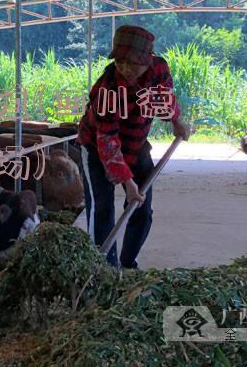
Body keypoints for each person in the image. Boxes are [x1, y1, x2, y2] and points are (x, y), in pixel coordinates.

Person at [76, 25, 190, 269]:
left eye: (133, 63)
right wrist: (127, 183)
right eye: (120, 62)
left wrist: (177, 121)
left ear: (147, 60)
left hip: (136, 145)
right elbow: (107, 140)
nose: (126, 69)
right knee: (102, 209)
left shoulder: (159, 69)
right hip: (97, 150)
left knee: (142, 208)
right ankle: (105, 271)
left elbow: (165, 98)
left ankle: (127, 265)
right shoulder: (106, 90)